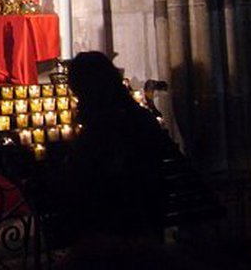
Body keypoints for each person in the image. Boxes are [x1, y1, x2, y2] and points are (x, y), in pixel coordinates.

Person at [63, 51, 177, 243]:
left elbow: (95, 177)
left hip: (119, 220)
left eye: (79, 93)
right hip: (146, 211)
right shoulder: (140, 116)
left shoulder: (104, 127)